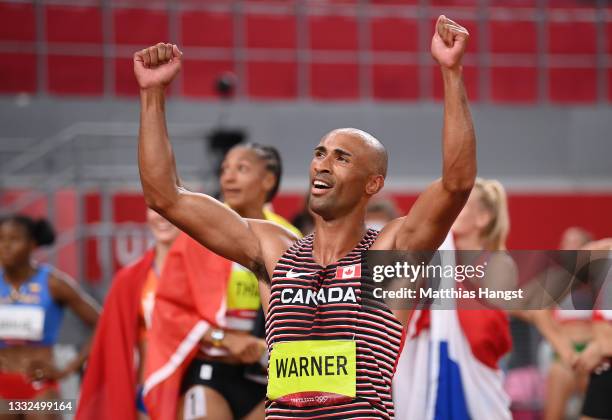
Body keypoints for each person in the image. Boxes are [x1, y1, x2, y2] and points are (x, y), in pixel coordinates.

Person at [135, 14, 476, 419]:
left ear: (373, 184)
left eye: (341, 157)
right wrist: (153, 95)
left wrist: (451, 73)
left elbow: (456, 184)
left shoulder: (390, 253)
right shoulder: (274, 251)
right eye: (319, 154)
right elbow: (166, 197)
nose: (322, 165)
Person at [142, 143, 301, 420]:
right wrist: (223, 338)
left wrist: (270, 347)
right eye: (225, 169)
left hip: (269, 376)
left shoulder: (288, 237)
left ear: (268, 180)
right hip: (210, 371)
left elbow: (303, 312)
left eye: (241, 169)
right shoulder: (199, 233)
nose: (227, 178)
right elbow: (168, 309)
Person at [76, 208, 181, 420]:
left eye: (171, 207)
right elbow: (107, 342)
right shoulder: (129, 279)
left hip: (193, 390)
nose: (162, 216)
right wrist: (70, 367)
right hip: (146, 394)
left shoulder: (208, 274)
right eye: (155, 208)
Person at [0, 215, 100, 419]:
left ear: (32, 244)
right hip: (3, 386)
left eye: (14, 239)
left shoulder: (53, 283)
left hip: (39, 386)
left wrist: (68, 369)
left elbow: (103, 323)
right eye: (1, 239)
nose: (6, 246)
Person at [542, 226, 594, 420]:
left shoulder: (599, 279)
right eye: (565, 242)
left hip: (593, 355)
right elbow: (543, 318)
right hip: (563, 354)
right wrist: (565, 350)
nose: (567, 246)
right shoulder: (552, 281)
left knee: (594, 413)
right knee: (553, 415)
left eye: (574, 242)